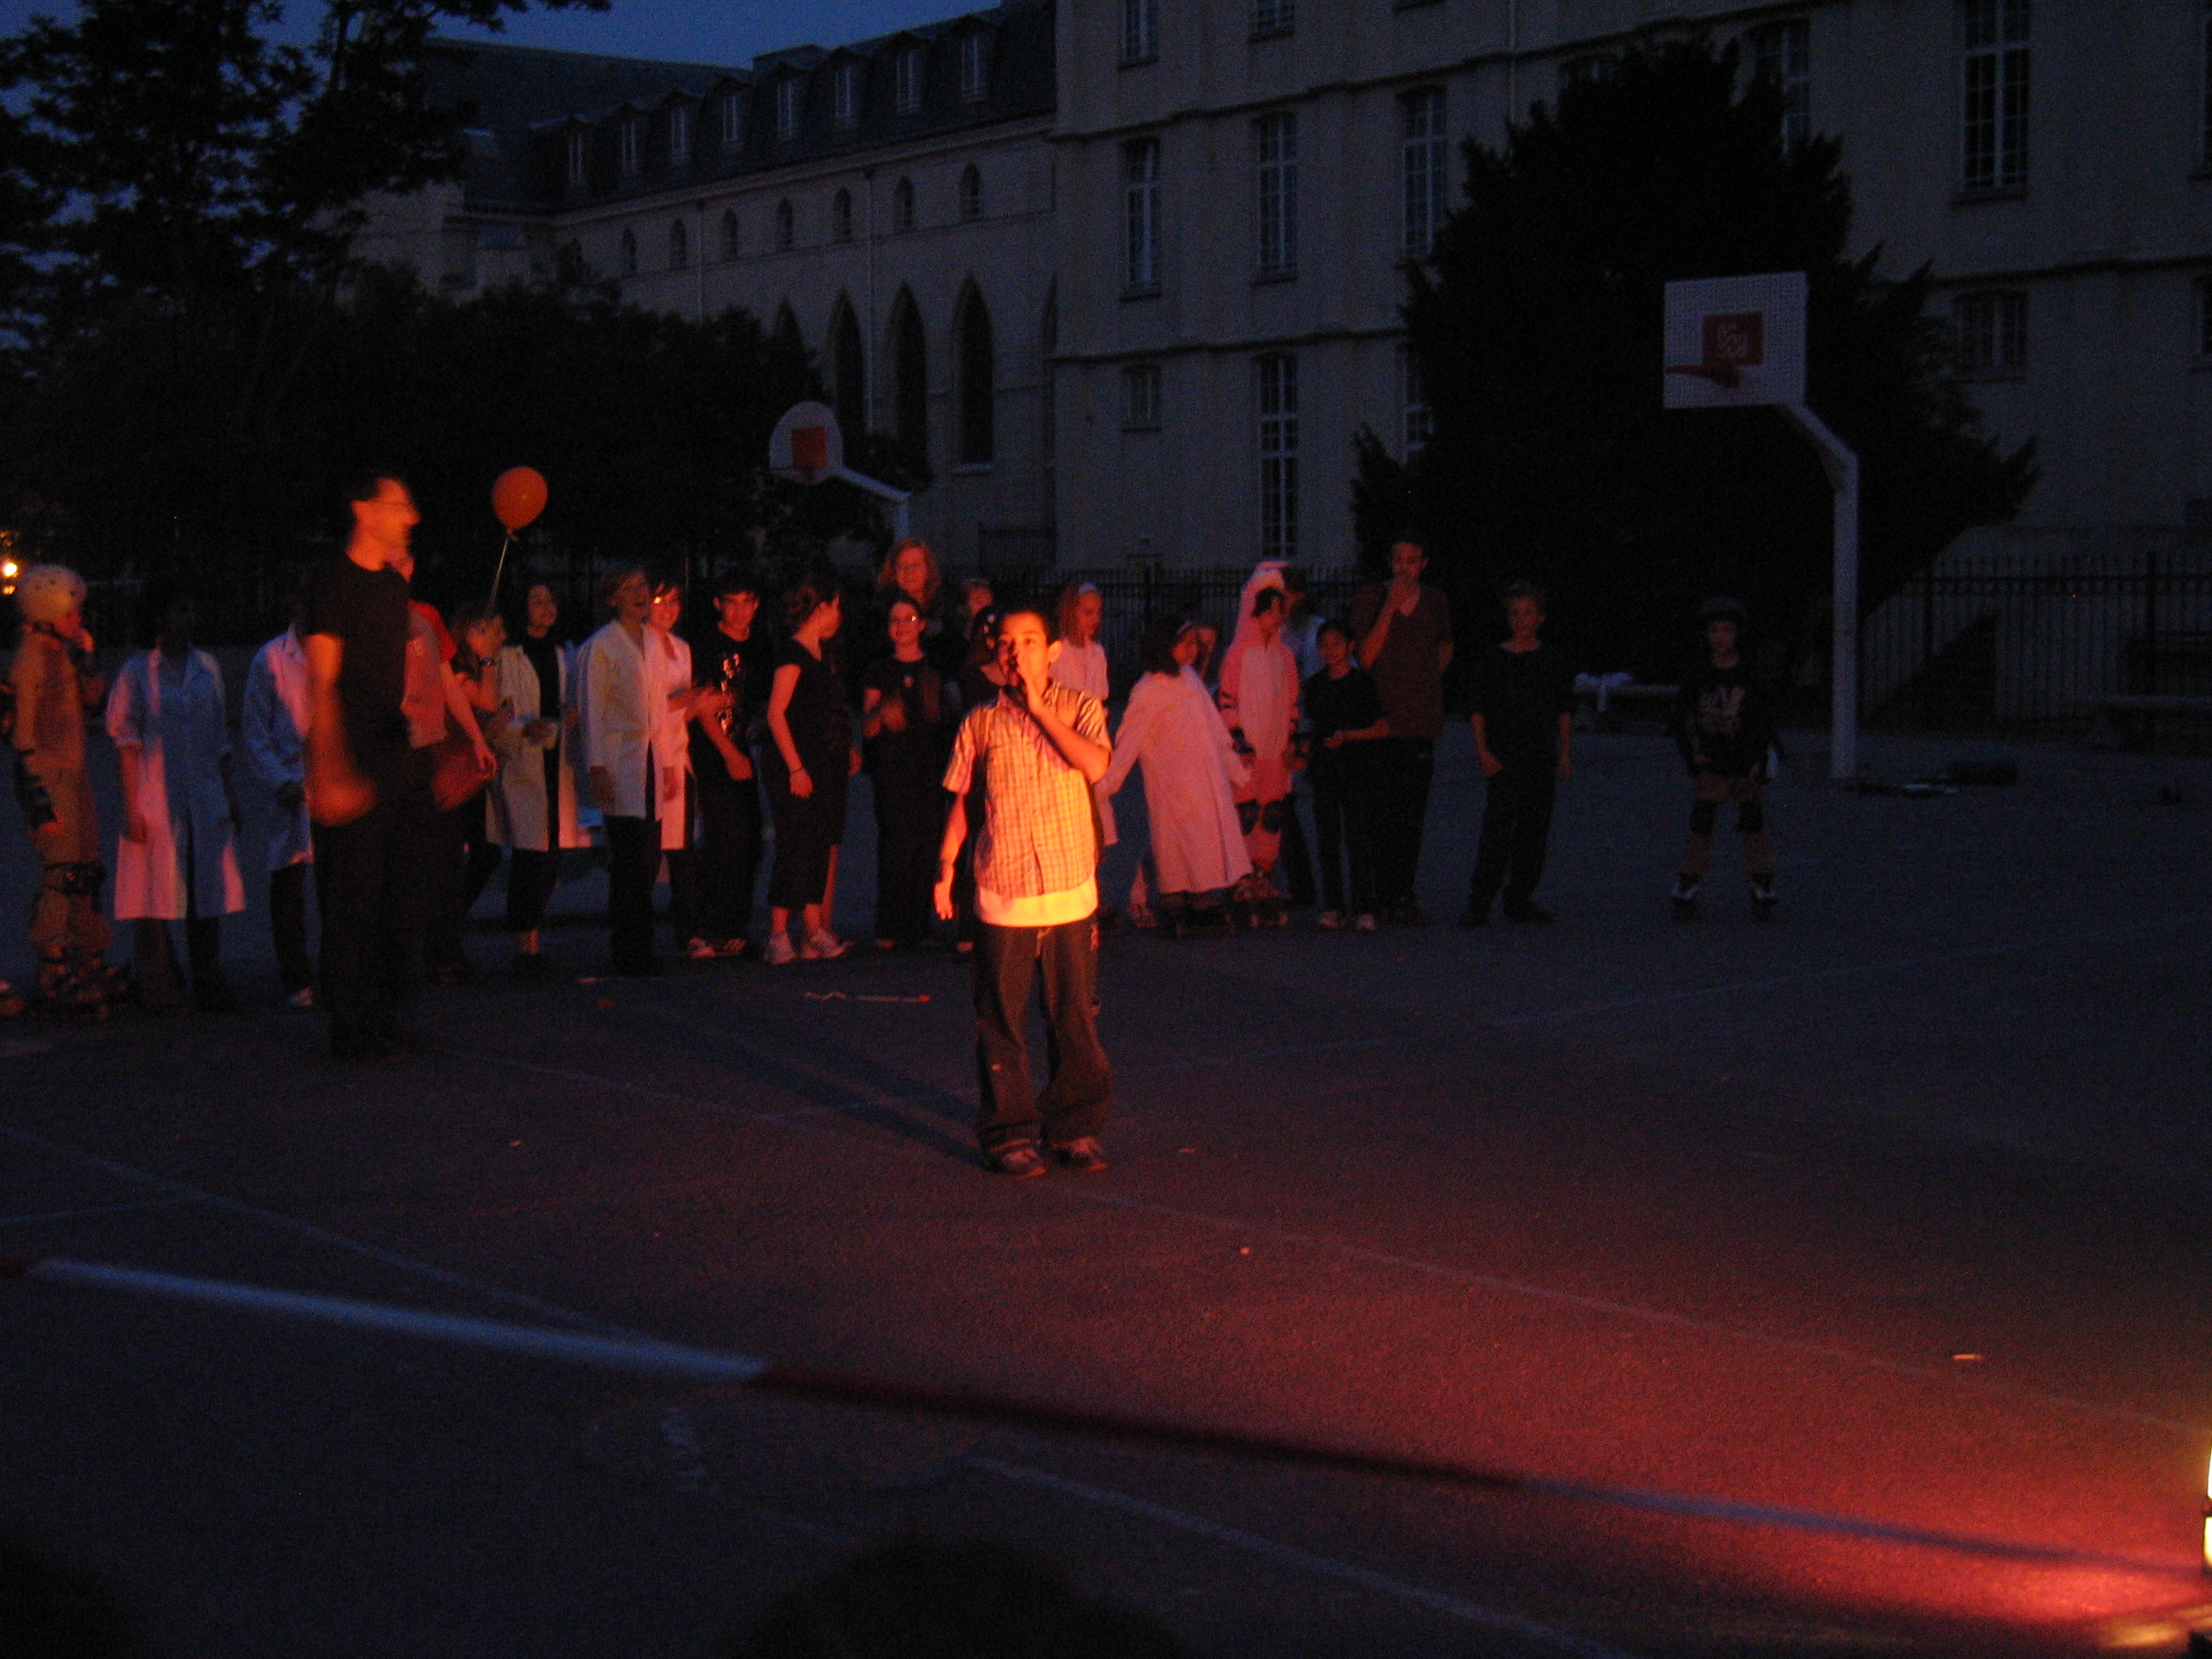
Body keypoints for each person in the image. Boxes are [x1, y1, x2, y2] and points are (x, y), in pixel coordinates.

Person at [934, 608, 1114, 1177]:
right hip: (1003, 886)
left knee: (1073, 1016)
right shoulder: (980, 722)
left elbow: (1095, 765)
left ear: (1052, 651)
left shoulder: (1081, 708)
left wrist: (1040, 709)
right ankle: (1008, 1132)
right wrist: (945, 866)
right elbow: (963, 800)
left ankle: (1075, 1128)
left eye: (1030, 641)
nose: (1018, 653)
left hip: (1069, 886)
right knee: (1001, 1020)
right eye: (1008, 644)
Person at [303, 473, 428, 1061]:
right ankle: (350, 1025)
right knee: (352, 897)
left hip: (392, 752)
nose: (411, 517)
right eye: (400, 505)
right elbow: (322, 683)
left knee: (396, 895)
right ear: (363, 509)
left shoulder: (392, 587)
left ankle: (384, 1012)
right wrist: (330, 771)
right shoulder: (332, 585)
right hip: (350, 753)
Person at [108, 580, 246, 1013]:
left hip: (202, 792)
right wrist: (131, 807)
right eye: (179, 610)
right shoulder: (137, 672)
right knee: (154, 893)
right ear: (159, 618)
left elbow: (219, 737)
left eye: (191, 610)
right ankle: (158, 984)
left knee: (205, 889)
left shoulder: (206, 667)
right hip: (155, 794)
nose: (189, 619)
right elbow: (126, 741)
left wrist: (229, 794)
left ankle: (209, 979)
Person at [7, 564, 116, 1015]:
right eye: (72, 612)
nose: (79, 619)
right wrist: (37, 794)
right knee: (63, 870)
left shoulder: (63, 652)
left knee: (87, 868)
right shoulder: (31, 657)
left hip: (75, 771)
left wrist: (87, 660)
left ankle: (90, 957)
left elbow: (94, 703)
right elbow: (21, 733)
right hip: (49, 775)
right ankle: (53, 964)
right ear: (47, 613)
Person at [1098, 615, 1250, 937]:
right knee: (1176, 842)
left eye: (1194, 643)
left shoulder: (1190, 678)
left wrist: (1235, 768)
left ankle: (1201, 893)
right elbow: (1129, 741)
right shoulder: (1148, 690)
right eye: (1185, 644)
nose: (1193, 649)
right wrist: (1107, 782)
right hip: (1172, 783)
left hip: (1205, 780)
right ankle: (1174, 897)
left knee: (1204, 840)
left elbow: (1214, 727)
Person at [390, 544, 494, 984]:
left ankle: (444, 952)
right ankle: (399, 957)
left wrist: (476, 739)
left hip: (429, 752)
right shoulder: (366, 619)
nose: (397, 568)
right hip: (390, 751)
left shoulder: (425, 618)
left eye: (403, 560)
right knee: (401, 862)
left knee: (447, 857)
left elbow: (450, 683)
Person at [1461, 581, 1577, 927]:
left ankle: (1520, 898)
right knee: (1497, 829)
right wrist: (1482, 750)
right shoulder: (1493, 659)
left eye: (1528, 613)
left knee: (1533, 830)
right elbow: (1478, 709)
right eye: (1515, 613)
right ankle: (1480, 901)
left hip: (1539, 753)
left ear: (1540, 617)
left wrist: (1565, 753)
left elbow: (1563, 709)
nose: (1521, 619)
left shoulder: (1553, 659)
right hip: (1503, 755)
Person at [486, 581, 586, 978]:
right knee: (530, 857)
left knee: (550, 857)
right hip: (524, 762)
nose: (547, 607)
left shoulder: (565, 653)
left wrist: (570, 716)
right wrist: (524, 729)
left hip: (557, 760)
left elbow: (574, 702)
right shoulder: (508, 656)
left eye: (551, 600)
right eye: (537, 600)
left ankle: (533, 942)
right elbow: (496, 713)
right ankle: (523, 947)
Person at [1350, 540, 1453, 924]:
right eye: (1398, 560)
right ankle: (1378, 892)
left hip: (1418, 721)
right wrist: (1389, 609)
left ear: (1423, 563)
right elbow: (1366, 656)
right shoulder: (1371, 598)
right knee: (1379, 812)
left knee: (1412, 813)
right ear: (1389, 562)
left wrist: (1423, 681)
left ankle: (1403, 893)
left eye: (1412, 561)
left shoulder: (1435, 601)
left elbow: (1445, 647)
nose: (1404, 568)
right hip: (1381, 721)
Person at [762, 568, 859, 965]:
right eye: (836, 606)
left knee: (818, 842)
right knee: (794, 843)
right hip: (793, 763)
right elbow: (776, 713)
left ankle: (814, 927)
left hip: (820, 761)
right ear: (822, 607)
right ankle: (777, 933)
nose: (840, 615)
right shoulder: (793, 653)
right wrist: (795, 768)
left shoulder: (822, 652)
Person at [579, 566, 666, 976]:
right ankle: (628, 950)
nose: (638, 593)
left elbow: (659, 707)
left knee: (647, 856)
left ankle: (642, 945)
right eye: (628, 588)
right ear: (612, 599)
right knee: (629, 858)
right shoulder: (602, 646)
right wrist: (596, 765)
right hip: (619, 760)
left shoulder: (653, 640)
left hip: (650, 758)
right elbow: (592, 709)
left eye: (642, 585)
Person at [1670, 597, 1779, 919]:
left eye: (1727, 630)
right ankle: (1689, 878)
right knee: (1702, 820)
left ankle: (1762, 879)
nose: (1720, 637)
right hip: (1712, 758)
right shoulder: (1699, 673)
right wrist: (1692, 755)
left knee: (1752, 820)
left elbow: (1762, 719)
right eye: (1714, 631)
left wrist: (1759, 757)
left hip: (1744, 758)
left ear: (1738, 634)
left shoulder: (1749, 673)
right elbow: (1681, 717)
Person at [860, 597, 956, 949]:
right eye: (895, 619)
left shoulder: (936, 667)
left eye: (909, 619)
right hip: (892, 769)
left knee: (927, 843)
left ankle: (919, 924)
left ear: (922, 624)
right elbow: (867, 727)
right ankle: (889, 925)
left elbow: (952, 714)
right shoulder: (879, 669)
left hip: (930, 767)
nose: (901, 626)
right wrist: (882, 712)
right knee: (895, 845)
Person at [689, 570, 771, 958]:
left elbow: (762, 698)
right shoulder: (706, 646)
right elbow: (703, 704)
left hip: (742, 745)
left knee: (749, 839)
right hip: (713, 749)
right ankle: (713, 927)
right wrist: (729, 752)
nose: (739, 611)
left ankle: (735, 925)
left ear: (756, 605)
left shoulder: (761, 645)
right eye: (731, 603)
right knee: (724, 838)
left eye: (746, 602)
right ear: (718, 605)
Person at [242, 594, 317, 1008]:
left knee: (338, 885)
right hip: (290, 784)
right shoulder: (271, 658)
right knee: (288, 884)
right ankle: (296, 977)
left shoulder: (336, 651)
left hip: (329, 781)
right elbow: (255, 730)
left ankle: (339, 972)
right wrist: (279, 781)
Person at [1215, 573, 1301, 927]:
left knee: (1273, 813)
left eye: (1280, 611)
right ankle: (1241, 878)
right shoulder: (1239, 654)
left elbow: (1292, 702)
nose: (1279, 618)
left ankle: (1263, 875)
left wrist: (1291, 739)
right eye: (1273, 611)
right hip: (1248, 753)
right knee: (1246, 813)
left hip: (1275, 752)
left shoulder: (1284, 655)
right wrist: (1238, 738)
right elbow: (1227, 699)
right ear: (1258, 613)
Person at [1303, 618, 1389, 931]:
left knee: (1358, 838)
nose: (1330, 650)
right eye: (1324, 645)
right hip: (1325, 769)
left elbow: (1382, 728)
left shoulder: (1362, 682)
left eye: (1336, 644)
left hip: (1357, 769)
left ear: (1350, 646)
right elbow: (1312, 726)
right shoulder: (1314, 685)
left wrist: (1348, 736)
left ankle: (1364, 906)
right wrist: (1302, 749)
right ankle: (1333, 905)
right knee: (1328, 839)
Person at [645, 577, 708, 958]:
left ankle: (690, 932)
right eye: (660, 601)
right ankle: (640, 935)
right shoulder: (639, 645)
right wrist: (683, 700)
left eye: (674, 601)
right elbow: (650, 706)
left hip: (680, 755)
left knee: (683, 849)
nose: (668, 609)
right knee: (650, 851)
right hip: (651, 756)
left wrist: (699, 702)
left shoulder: (682, 648)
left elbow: (681, 706)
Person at [874, 539, 963, 678]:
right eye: (902, 566)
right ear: (893, 572)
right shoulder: (880, 612)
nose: (909, 571)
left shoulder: (947, 609)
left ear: (928, 570)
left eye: (915, 565)